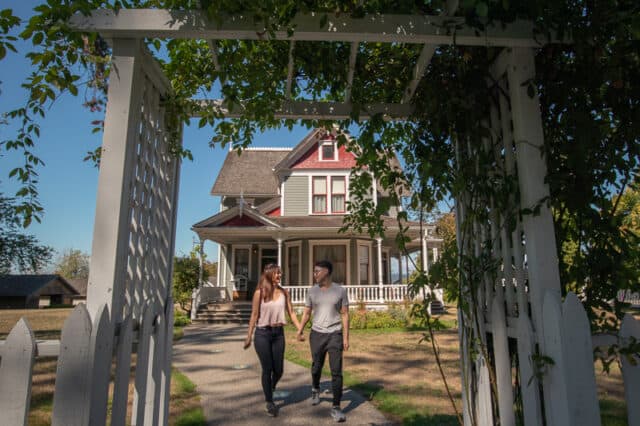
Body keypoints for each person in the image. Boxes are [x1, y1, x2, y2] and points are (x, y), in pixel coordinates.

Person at [244, 263, 302, 417]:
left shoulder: (284, 292)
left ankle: (271, 387)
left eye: (280, 273)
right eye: (277, 273)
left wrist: (300, 329)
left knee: (279, 370)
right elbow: (254, 315)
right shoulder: (260, 293)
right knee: (267, 369)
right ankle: (269, 402)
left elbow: (292, 313)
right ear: (269, 274)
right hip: (262, 334)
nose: (279, 275)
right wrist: (249, 335)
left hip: (279, 334)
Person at [297, 260, 349, 423]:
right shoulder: (312, 291)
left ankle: (336, 407)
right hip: (317, 334)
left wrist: (346, 338)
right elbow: (306, 312)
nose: (314, 274)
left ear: (326, 271)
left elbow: (345, 314)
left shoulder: (340, 290)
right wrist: (300, 329)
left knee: (336, 371)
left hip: (335, 334)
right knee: (316, 366)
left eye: (316, 271)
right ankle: (315, 388)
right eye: (314, 271)